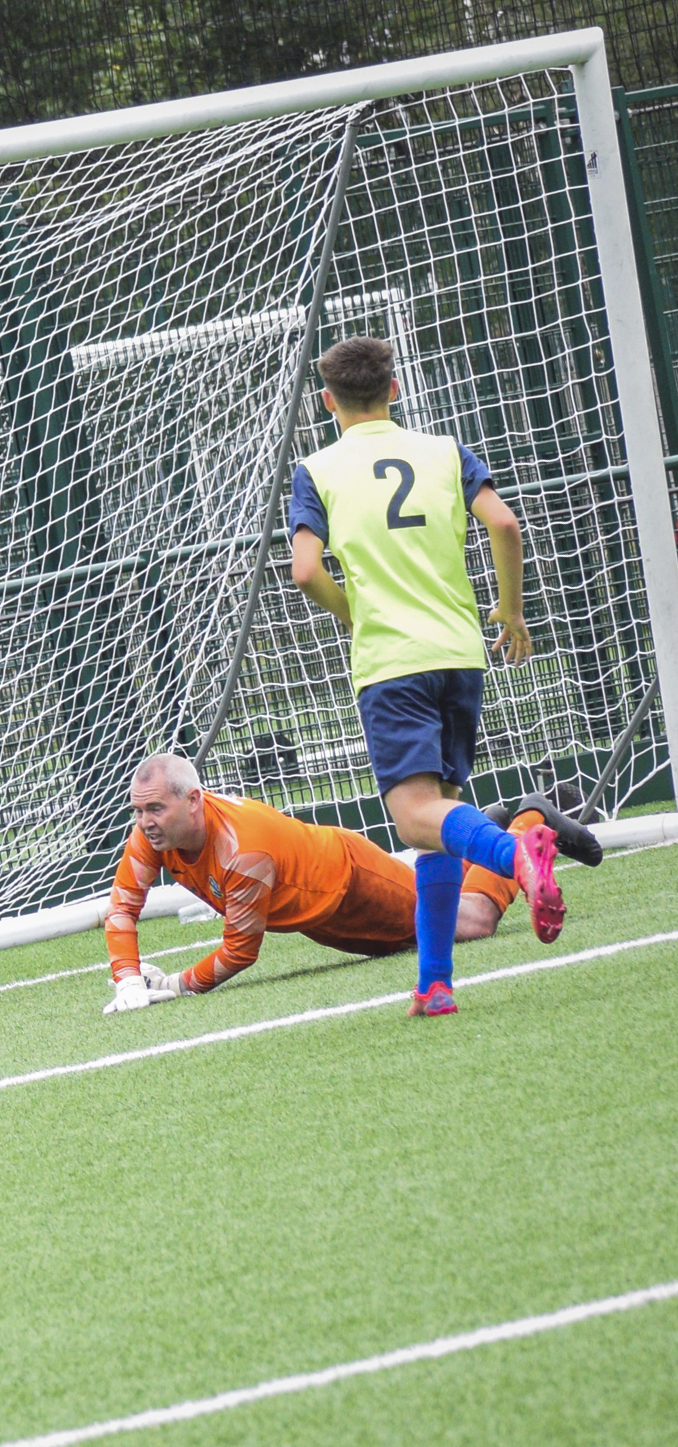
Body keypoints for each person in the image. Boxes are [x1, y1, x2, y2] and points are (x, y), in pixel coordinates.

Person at [286, 335, 577, 1017]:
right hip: (459, 652)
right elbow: (504, 523)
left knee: (415, 818)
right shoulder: (445, 450)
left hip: (393, 662)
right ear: (394, 390)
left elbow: (304, 570)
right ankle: (436, 982)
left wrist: (351, 613)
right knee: (441, 812)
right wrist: (510, 609)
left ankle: (518, 855)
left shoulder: (318, 468)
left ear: (327, 401)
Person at [100, 754, 597, 1014]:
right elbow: (121, 909)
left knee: (470, 922)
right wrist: (127, 979)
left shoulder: (241, 850)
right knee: (431, 919)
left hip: (350, 883)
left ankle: (528, 821)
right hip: (323, 914)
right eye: (138, 810)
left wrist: (172, 985)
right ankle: (476, 837)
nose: (144, 822)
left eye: (155, 808)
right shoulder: (153, 836)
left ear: (193, 801)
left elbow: (239, 952)